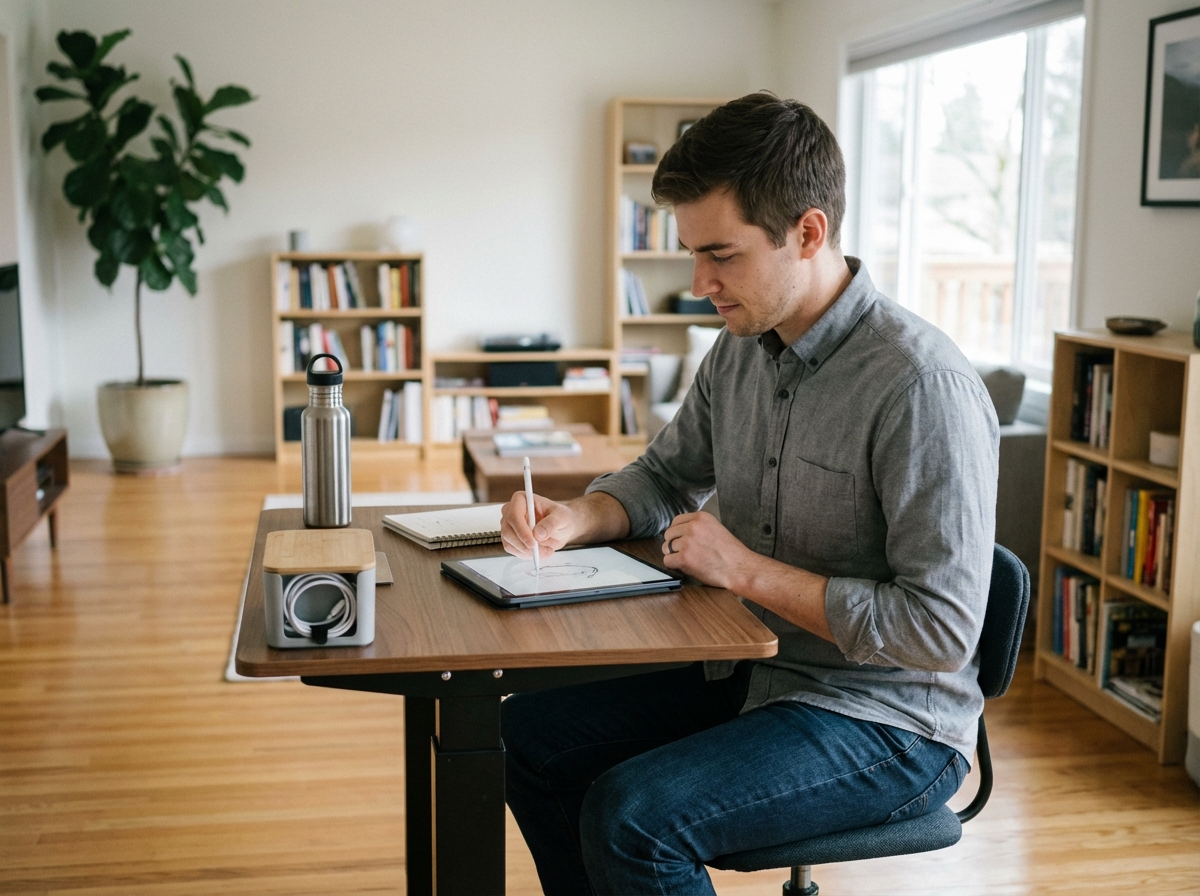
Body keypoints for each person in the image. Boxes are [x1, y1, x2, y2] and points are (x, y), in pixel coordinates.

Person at [499, 92, 999, 896]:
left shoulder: (919, 386)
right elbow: (665, 475)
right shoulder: (739, 350)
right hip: (750, 666)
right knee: (524, 732)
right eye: (693, 254)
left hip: (887, 717)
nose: (699, 283)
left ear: (808, 232)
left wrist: (744, 571)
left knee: (632, 817)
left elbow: (938, 631)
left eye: (721, 256)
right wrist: (579, 516)